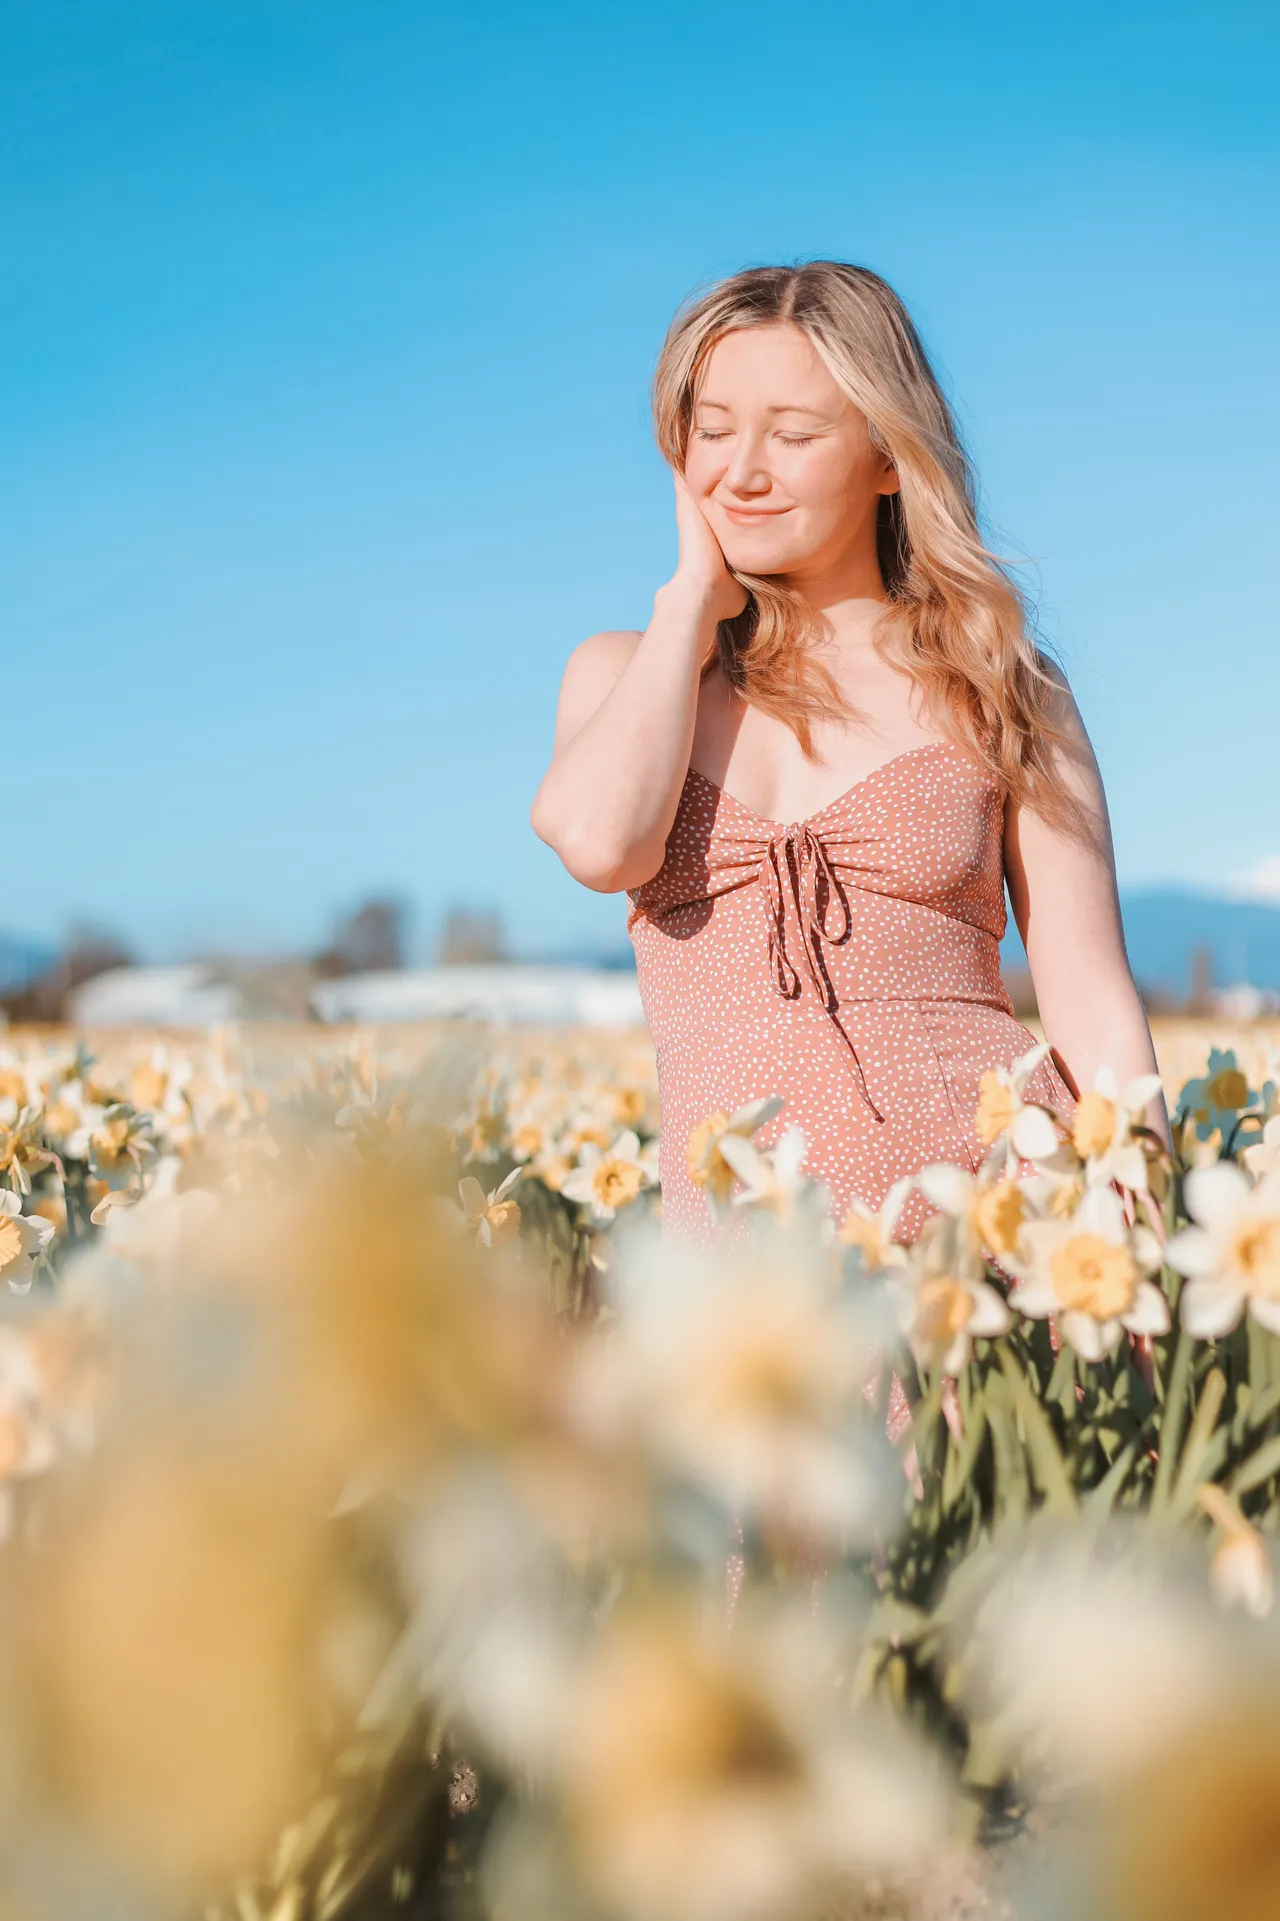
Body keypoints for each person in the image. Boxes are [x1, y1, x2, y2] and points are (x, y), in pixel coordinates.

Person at [531, 261, 1169, 1242]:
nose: (741, 471)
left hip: (998, 1244)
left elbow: (1088, 1000)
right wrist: (688, 602)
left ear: (886, 454)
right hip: (746, 1301)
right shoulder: (627, 674)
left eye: (790, 435)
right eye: (710, 431)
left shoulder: (1000, 681)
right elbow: (597, 841)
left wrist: (1142, 1249)